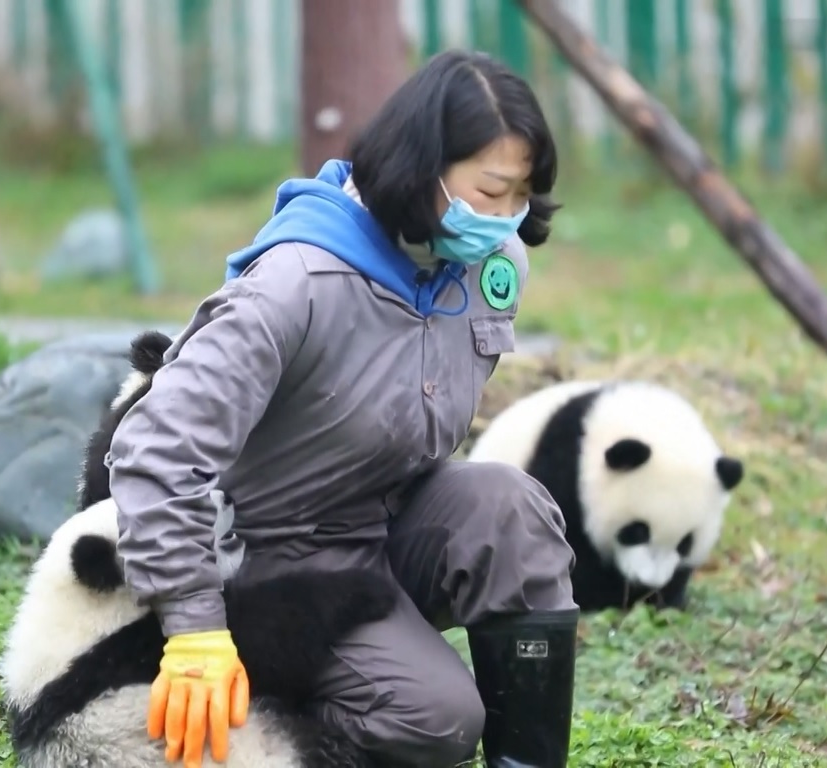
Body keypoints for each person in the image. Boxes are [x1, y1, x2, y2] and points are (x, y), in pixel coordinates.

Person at [108, 49, 578, 768]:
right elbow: (155, 452)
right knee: (437, 719)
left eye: (521, 195)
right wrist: (195, 629)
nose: (506, 218)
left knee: (511, 506)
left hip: (383, 517)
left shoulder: (489, 266)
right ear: (423, 167)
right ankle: (277, 724)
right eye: (490, 191)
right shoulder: (295, 282)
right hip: (273, 562)